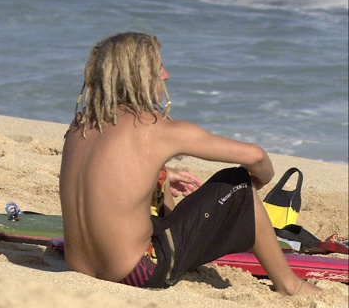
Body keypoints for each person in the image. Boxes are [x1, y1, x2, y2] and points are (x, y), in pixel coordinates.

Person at [58, 32, 321, 295]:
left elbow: (109, 170)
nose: (166, 75)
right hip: (138, 273)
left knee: (159, 176)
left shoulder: (79, 126)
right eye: (159, 66)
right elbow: (256, 156)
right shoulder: (153, 128)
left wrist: (162, 173)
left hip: (80, 266)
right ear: (140, 75)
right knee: (238, 184)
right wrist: (258, 182)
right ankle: (290, 285)